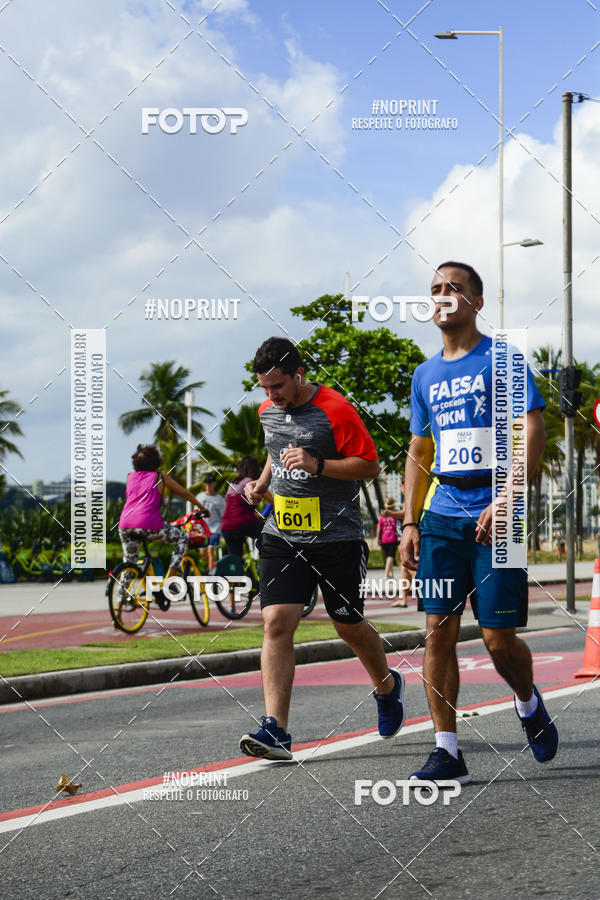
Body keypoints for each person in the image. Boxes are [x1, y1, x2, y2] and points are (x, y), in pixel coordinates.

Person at [400, 261, 558, 784]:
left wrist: (507, 496)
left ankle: (527, 700)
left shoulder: (502, 358)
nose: (443, 295)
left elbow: (530, 429)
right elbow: (419, 448)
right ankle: (447, 751)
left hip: (501, 515)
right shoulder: (424, 374)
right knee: (437, 633)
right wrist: (409, 521)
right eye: (435, 289)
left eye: (455, 288)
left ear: (476, 302)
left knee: (497, 639)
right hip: (442, 516)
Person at [238, 336, 405, 760]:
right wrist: (261, 483)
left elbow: (369, 465)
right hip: (283, 533)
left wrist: (318, 465)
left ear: (299, 374)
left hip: (337, 538)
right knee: (276, 622)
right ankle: (276, 729)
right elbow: (276, 451)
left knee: (347, 625)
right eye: (264, 388)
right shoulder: (267, 410)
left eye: (278, 386)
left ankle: (387, 686)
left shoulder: (336, 409)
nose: (271, 395)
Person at [118, 444, 208, 606]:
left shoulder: (130, 477)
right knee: (182, 539)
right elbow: (185, 493)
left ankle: (120, 599)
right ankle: (170, 581)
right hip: (149, 524)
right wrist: (202, 508)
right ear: (156, 460)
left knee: (130, 563)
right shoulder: (159, 477)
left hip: (125, 524)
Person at [220, 456, 271, 557]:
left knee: (235, 560)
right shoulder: (251, 482)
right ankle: (266, 561)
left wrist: (255, 515)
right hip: (243, 523)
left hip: (226, 527)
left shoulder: (233, 483)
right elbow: (274, 502)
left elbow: (235, 509)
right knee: (271, 533)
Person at [196, 473, 226, 570]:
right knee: (203, 553)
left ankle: (211, 574)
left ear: (214, 484)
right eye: (207, 482)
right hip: (202, 529)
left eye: (210, 482)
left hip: (215, 528)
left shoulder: (219, 499)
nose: (208, 484)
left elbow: (223, 515)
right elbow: (195, 512)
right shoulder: (199, 497)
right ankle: (214, 568)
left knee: (210, 549)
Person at [377, 498, 401, 579]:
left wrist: (378, 538)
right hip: (393, 538)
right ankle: (386, 573)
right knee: (391, 556)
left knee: (388, 557)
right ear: (393, 506)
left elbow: (379, 528)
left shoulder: (382, 516)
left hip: (384, 539)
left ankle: (391, 574)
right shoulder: (395, 515)